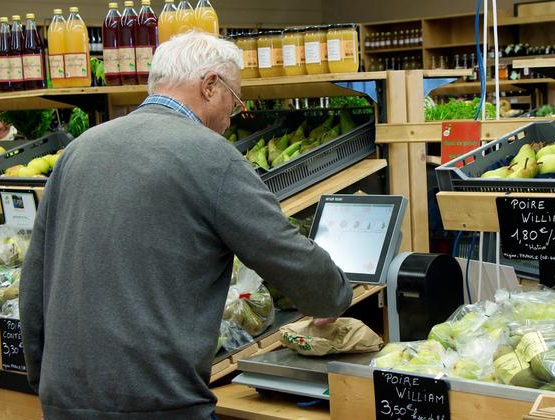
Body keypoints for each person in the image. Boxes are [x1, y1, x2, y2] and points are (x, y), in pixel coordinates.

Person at [19, 31, 353, 419]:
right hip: (158, 402)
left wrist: (46, 382)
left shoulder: (81, 148)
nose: (233, 116)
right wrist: (333, 295)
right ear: (211, 85)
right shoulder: (212, 157)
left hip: (66, 399)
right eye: (235, 99)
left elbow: (35, 280)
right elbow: (283, 249)